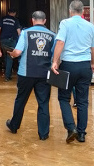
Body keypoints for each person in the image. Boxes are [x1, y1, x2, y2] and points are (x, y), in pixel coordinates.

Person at [51, 0, 94, 144]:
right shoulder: (90, 26)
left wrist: (55, 61)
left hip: (68, 66)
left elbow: (60, 42)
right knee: (83, 101)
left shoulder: (65, 23)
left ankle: (71, 128)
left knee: (64, 98)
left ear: (70, 10)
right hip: (85, 66)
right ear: (83, 11)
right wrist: (93, 63)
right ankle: (82, 134)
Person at [5, 11, 56, 140]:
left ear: (32, 20)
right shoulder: (53, 35)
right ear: (44, 21)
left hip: (26, 73)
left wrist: (11, 54)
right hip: (44, 74)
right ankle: (43, 134)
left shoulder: (25, 33)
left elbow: (17, 52)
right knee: (43, 103)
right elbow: (56, 55)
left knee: (21, 100)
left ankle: (14, 126)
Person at [0, 8, 21, 81]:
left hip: (3, 40)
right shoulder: (15, 20)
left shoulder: (2, 19)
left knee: (6, 56)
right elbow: (19, 32)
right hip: (11, 40)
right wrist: (21, 42)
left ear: (8, 12)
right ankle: (7, 76)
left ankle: (8, 73)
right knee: (10, 58)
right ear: (14, 13)